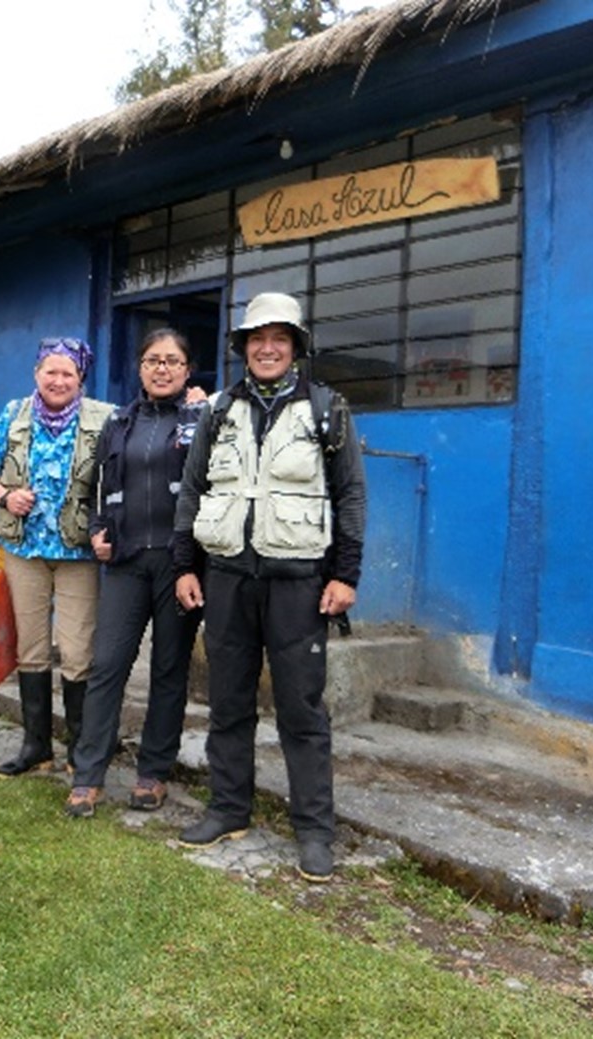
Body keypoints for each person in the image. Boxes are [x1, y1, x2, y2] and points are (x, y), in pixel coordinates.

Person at [171, 292, 366, 882]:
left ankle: (314, 831)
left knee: (301, 710)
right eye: (257, 338)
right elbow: (192, 490)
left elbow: (350, 493)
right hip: (227, 577)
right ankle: (229, 809)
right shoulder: (219, 411)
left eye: (279, 337)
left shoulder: (328, 410)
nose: (267, 347)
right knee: (227, 703)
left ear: (296, 346)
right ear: (243, 348)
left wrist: (345, 574)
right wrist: (185, 565)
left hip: (300, 582)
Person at [64, 329, 207, 818]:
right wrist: (101, 530)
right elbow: (105, 486)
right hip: (125, 563)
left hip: (178, 563)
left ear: (188, 370)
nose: (161, 368)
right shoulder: (119, 422)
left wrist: (201, 412)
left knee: (169, 669)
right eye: (152, 360)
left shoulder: (202, 420)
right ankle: (88, 775)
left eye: (172, 360)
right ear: (141, 368)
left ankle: (153, 773)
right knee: (107, 666)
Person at [0, 337, 113, 777]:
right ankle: (36, 746)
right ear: (36, 374)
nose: (58, 380)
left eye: (67, 373)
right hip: (23, 550)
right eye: (49, 372)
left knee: (76, 651)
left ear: (81, 379)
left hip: (77, 553)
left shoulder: (106, 418)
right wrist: (5, 495)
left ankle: (79, 750)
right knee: (31, 649)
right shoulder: (15, 414)